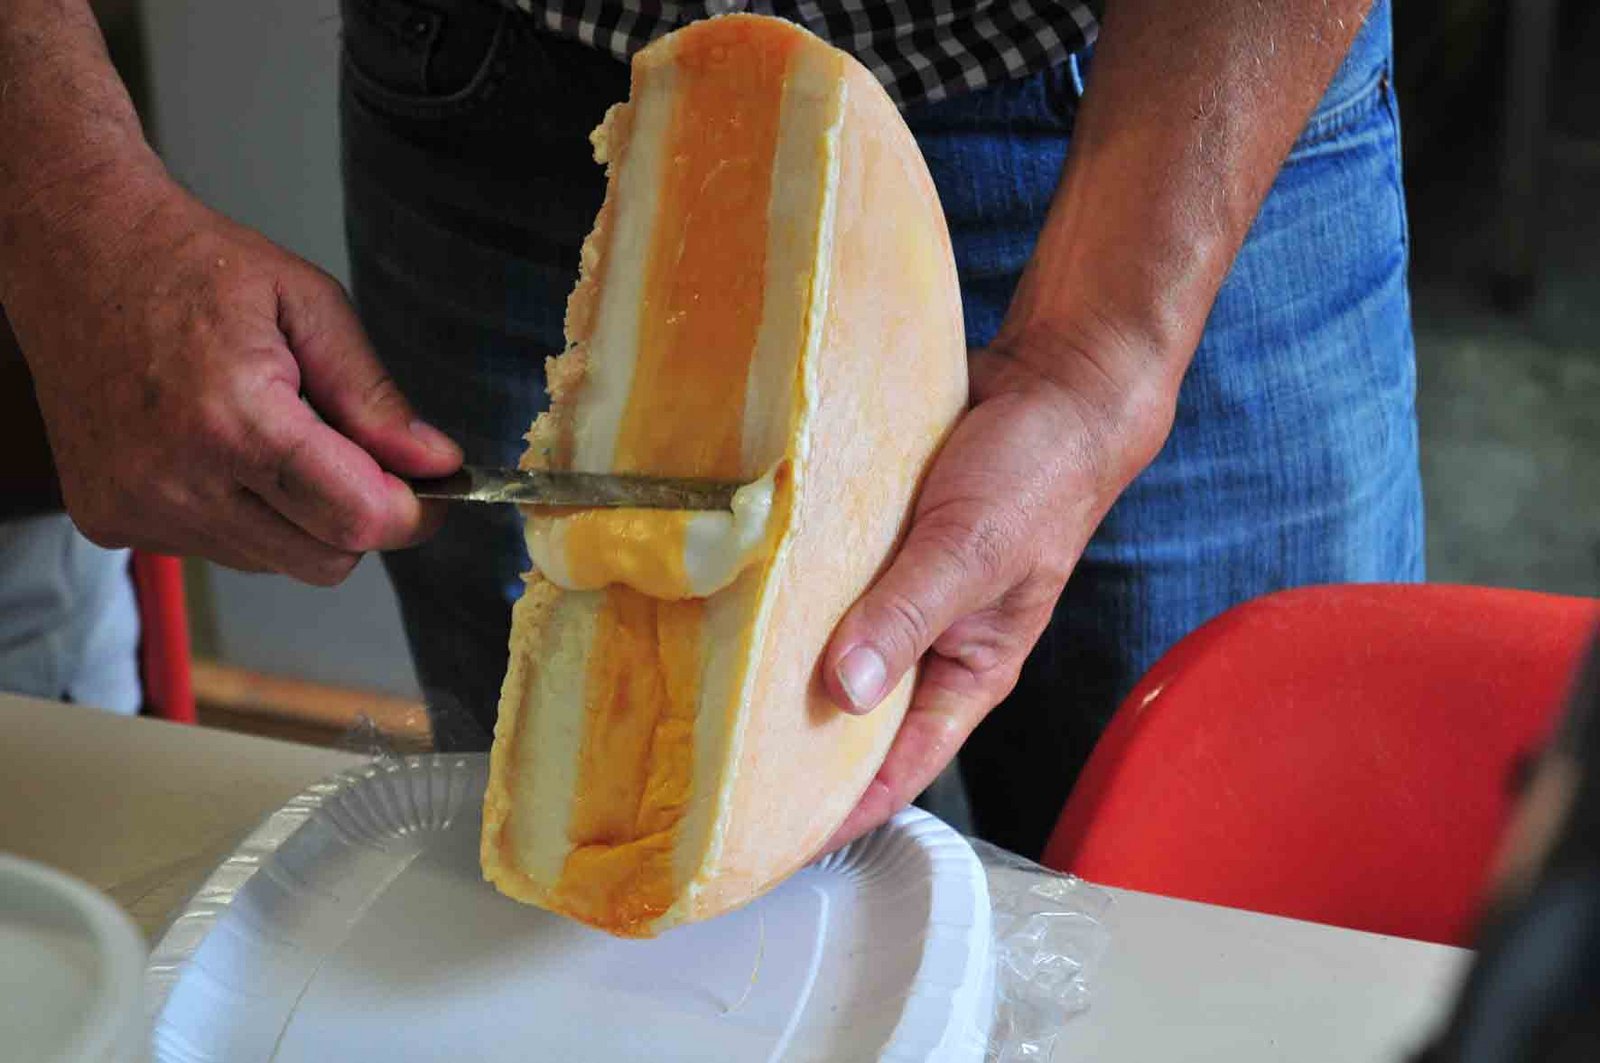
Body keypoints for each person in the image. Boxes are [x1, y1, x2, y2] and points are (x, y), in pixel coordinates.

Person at [0, 0, 1421, 858]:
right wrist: (65, 204)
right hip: (511, 84)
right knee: (618, 929)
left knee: (1239, 888)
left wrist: (1108, 353)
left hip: (1165, 99)